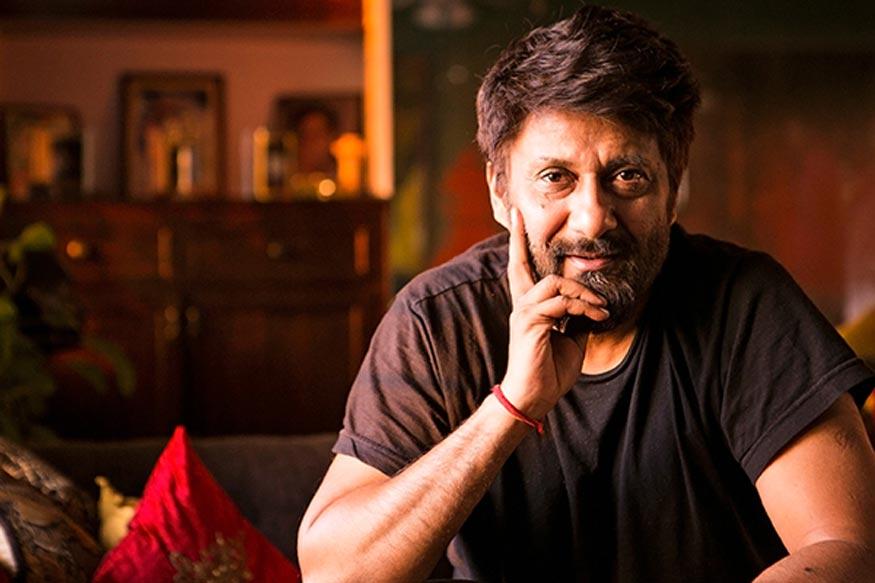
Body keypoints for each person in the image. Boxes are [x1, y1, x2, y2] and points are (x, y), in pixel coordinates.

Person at [297, 6, 875, 582]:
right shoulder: (439, 321)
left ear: (673, 187)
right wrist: (511, 408)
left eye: (628, 176)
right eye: (556, 178)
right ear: (501, 191)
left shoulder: (747, 305)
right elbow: (334, 575)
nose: (593, 217)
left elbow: (849, 548)